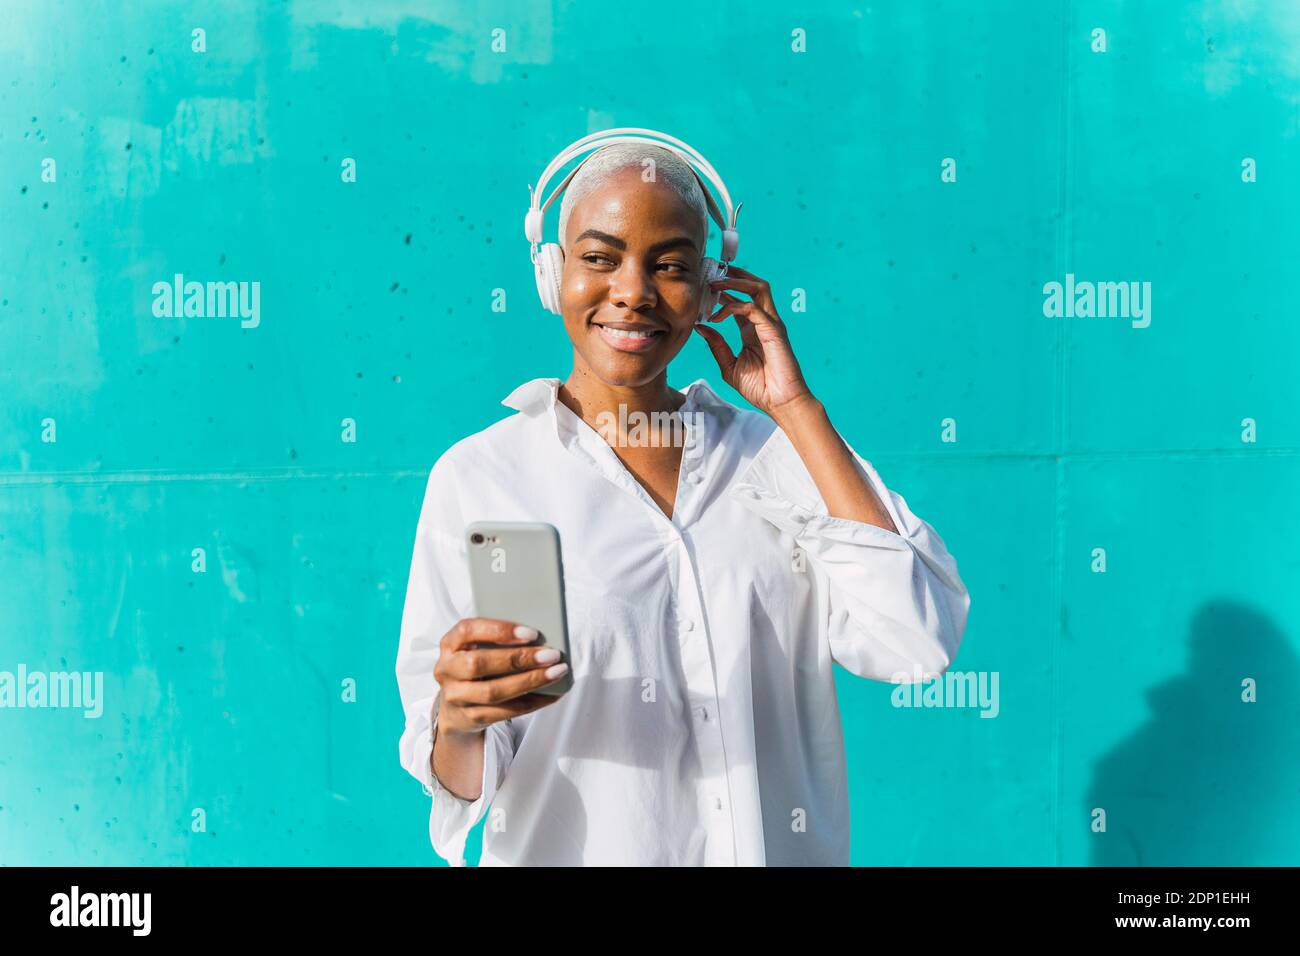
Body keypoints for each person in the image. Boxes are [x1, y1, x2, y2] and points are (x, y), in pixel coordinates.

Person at [395, 134, 970, 866]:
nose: (633, 291)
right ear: (551, 273)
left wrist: (795, 409)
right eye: (599, 257)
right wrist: (460, 721)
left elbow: (915, 642)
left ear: (710, 289)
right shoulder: (480, 477)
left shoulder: (777, 456)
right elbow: (457, 784)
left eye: (670, 265)